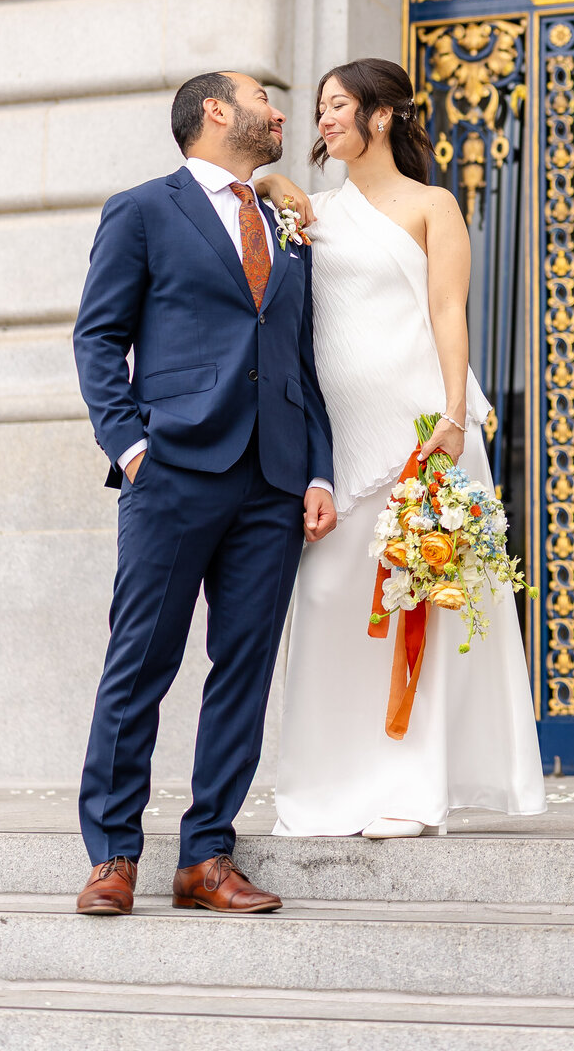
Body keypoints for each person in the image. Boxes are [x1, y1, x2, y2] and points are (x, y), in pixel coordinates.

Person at [72, 72, 337, 915]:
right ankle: (113, 855)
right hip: (174, 470)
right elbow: (99, 335)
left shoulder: (284, 225)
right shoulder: (143, 210)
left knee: (244, 670)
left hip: (274, 480)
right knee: (140, 662)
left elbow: (299, 357)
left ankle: (205, 858)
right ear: (217, 111)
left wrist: (319, 468)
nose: (283, 112)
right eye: (267, 97)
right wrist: (132, 445)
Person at [259, 57, 545, 838]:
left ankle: (410, 791)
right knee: (328, 604)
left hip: (426, 431)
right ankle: (327, 787)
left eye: (337, 107)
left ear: (380, 116)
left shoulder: (433, 205)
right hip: (343, 441)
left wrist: (453, 416)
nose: (323, 122)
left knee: (420, 609)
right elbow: (251, 195)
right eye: (319, 110)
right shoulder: (311, 211)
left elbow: (449, 313)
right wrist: (276, 184)